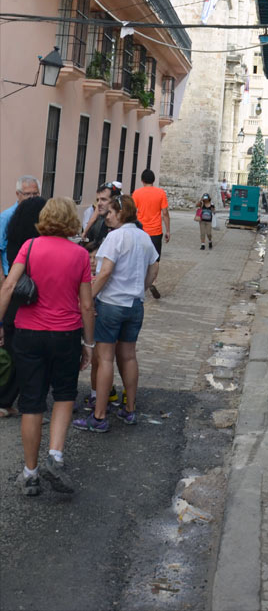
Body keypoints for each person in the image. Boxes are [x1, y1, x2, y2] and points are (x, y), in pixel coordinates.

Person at [0, 197, 94, 496]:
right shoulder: (80, 255)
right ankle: (55, 456)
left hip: (28, 333)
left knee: (32, 401)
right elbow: (87, 305)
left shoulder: (29, 247)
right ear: (71, 221)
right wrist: (89, 343)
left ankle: (30, 474)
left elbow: (9, 286)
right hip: (66, 334)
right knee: (64, 394)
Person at [73, 195, 158, 432]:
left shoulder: (115, 237)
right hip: (135, 304)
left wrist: (89, 297)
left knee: (105, 359)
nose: (106, 217)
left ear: (121, 213)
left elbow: (105, 272)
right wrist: (142, 288)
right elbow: (154, 266)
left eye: (109, 212)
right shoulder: (144, 237)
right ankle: (129, 409)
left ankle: (99, 415)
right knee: (129, 356)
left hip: (111, 303)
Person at [0, 196, 47, 417]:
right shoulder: (36, 245)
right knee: (23, 358)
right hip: (29, 303)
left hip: (13, 301)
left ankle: (6, 400)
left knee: (10, 354)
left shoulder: (14, 240)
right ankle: (9, 401)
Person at [132, 170, 169, 300]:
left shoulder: (137, 193)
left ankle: (139, 282)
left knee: (140, 257)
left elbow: (132, 212)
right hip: (155, 231)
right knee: (155, 259)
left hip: (141, 231)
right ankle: (153, 282)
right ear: (153, 180)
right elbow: (165, 213)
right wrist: (168, 230)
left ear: (142, 180)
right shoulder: (161, 193)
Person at [0, 175, 40, 276]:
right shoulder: (7, 216)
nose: (31, 197)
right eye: (27, 194)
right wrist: (2, 278)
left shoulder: (41, 214)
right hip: (10, 272)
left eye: (35, 193)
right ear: (18, 194)